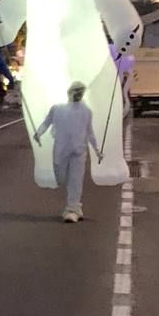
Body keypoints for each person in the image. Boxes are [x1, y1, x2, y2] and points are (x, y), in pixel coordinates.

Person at [34, 81, 101, 223]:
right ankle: (75, 208)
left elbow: (89, 132)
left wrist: (97, 150)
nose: (78, 94)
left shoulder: (86, 111)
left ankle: (73, 209)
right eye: (76, 91)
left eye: (81, 91)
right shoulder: (57, 108)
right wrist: (38, 133)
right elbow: (47, 122)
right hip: (61, 149)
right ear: (69, 92)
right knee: (61, 178)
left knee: (75, 180)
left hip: (79, 150)